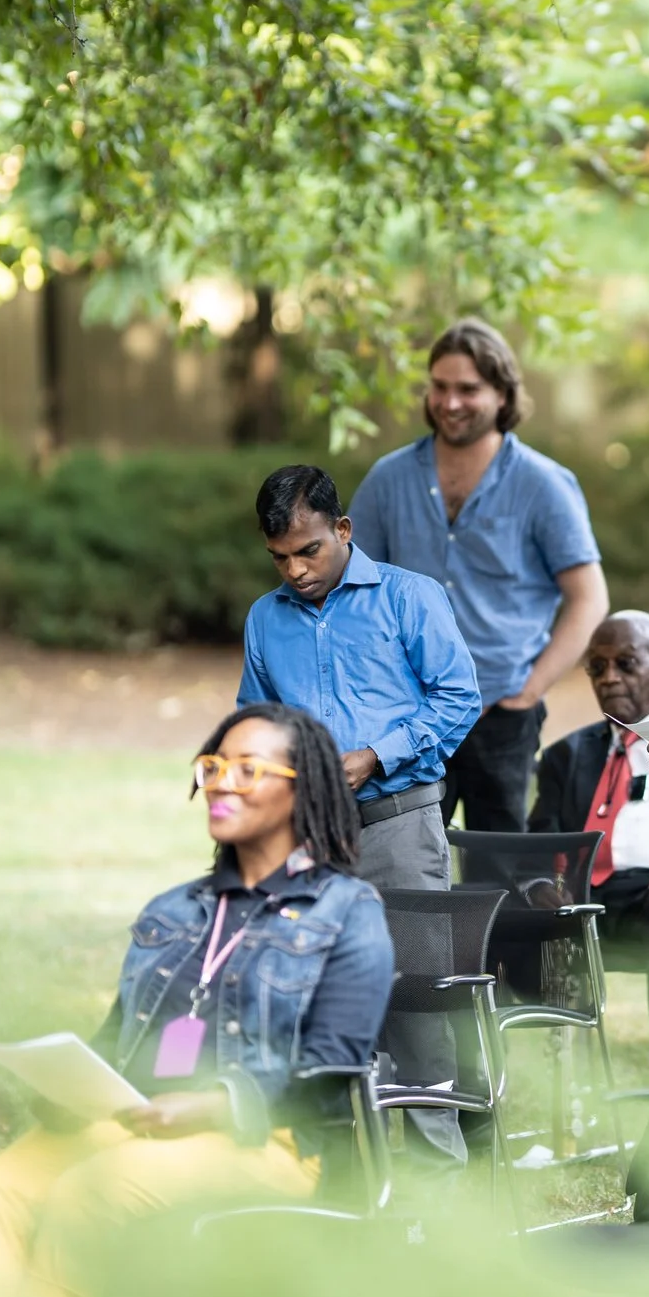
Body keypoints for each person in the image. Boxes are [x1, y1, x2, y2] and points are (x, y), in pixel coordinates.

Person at [0, 705, 394, 1297]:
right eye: (213, 765)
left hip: (266, 1140)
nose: (220, 781)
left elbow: (332, 1069)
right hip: (142, 1120)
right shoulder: (176, 909)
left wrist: (212, 1106)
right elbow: (118, 1035)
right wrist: (65, 1086)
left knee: (90, 1190)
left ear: (302, 789)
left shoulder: (348, 912)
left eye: (247, 768)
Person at [237, 464, 478, 1161]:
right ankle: (336, 1178)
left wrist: (375, 755)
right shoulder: (265, 618)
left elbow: (459, 698)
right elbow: (254, 719)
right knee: (316, 1007)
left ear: (342, 530)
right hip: (309, 842)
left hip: (399, 826)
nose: (296, 569)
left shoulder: (409, 597)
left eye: (309, 549)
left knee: (415, 1011)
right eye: (280, 556)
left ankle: (440, 1184)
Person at [351, 320, 608, 834]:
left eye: (468, 389)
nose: (449, 402)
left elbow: (589, 598)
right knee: (404, 865)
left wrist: (529, 692)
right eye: (440, 387)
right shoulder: (389, 478)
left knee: (503, 874)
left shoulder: (543, 484)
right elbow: (353, 591)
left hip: (502, 714)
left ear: (502, 393)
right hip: (408, 717)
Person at [529, 610, 649, 1083]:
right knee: (491, 909)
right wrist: (541, 882)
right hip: (583, 902)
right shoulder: (565, 756)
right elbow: (535, 843)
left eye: (625, 664)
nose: (609, 678)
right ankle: (477, 1097)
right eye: (597, 666)